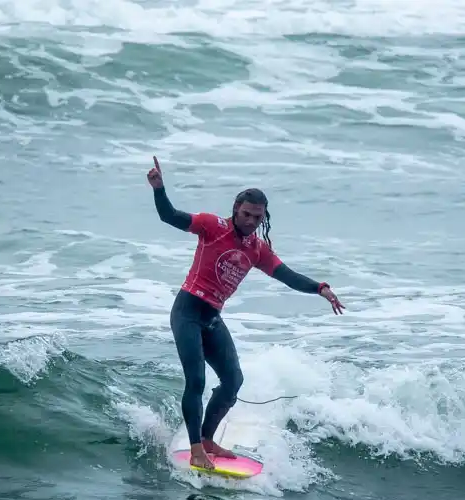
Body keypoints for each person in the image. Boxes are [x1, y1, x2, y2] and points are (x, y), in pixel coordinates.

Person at [147, 156, 345, 470]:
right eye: (247, 214)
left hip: (212, 316)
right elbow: (169, 216)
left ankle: (208, 439)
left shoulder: (257, 250)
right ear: (236, 209)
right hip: (187, 310)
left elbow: (288, 276)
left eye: (258, 217)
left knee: (232, 380)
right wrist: (159, 189)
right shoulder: (212, 227)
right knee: (196, 380)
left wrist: (320, 288)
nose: (252, 221)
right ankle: (196, 447)